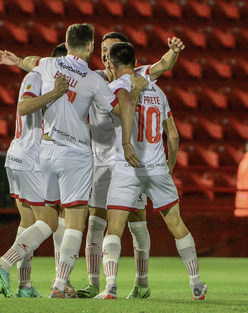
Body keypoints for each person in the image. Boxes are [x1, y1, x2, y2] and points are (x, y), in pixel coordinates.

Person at [0, 23, 138, 299]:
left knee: (47, 221)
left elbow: (32, 61)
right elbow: (120, 108)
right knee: (75, 223)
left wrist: (17, 60)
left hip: (45, 154)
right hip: (76, 155)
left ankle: (9, 267)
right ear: (91, 47)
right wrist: (127, 99)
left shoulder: (47, 65)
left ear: (67, 45)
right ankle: (57, 284)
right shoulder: (93, 80)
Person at [94, 42, 207, 300]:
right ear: (135, 62)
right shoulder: (158, 90)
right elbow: (174, 135)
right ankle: (196, 284)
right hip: (157, 169)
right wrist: (170, 165)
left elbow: (122, 112)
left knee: (114, 229)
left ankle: (110, 286)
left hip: (127, 167)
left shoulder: (114, 89)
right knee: (177, 224)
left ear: (111, 63)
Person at [77, 32, 185, 299]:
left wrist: (174, 51)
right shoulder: (94, 78)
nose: (105, 54)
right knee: (95, 222)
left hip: (131, 163)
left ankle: (142, 283)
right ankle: (94, 283)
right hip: (101, 163)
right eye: (102, 49)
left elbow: (163, 64)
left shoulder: (138, 75)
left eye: (110, 49)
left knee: (138, 222)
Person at [0, 44, 69, 298]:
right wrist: (55, 93)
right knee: (51, 221)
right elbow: (24, 107)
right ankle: (2, 264)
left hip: (20, 157)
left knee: (28, 223)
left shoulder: (44, 79)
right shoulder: (35, 78)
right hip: (30, 160)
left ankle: (25, 286)